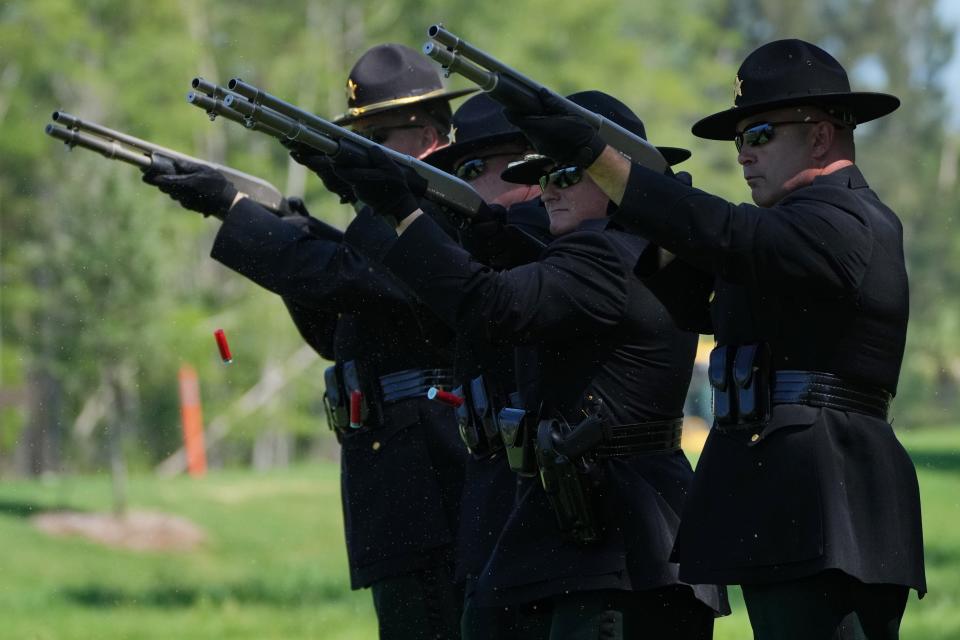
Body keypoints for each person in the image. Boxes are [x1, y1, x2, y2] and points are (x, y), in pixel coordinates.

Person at [504, 39, 926, 639]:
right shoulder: (794, 232)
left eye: (759, 135)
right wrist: (646, 205)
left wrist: (608, 164)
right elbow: (698, 294)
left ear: (822, 134)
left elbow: (729, 234)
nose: (744, 157)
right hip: (790, 496)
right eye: (738, 142)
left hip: (828, 497)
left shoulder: (842, 218)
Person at [333, 91, 727, 639]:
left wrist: (400, 213)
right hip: (578, 526)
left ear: (619, 176)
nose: (547, 188)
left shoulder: (605, 255)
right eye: (542, 174)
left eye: (566, 172)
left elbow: (491, 304)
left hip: (620, 540)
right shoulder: (617, 247)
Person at [142, 44, 473, 640]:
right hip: (397, 463)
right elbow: (337, 326)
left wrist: (235, 209)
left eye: (378, 138)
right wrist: (290, 225)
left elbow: (342, 275)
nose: (364, 156)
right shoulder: (396, 216)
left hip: (433, 463)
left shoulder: (442, 212)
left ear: (424, 134)